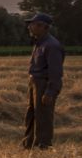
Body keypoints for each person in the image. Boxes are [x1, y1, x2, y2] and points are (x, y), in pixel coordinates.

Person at [22, 12, 64, 150]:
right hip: (34, 83)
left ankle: (43, 147)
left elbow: (56, 72)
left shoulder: (52, 46)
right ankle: (28, 145)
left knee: (43, 116)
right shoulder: (39, 43)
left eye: (32, 24)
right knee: (32, 114)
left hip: (43, 84)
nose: (29, 27)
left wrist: (50, 92)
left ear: (42, 26)